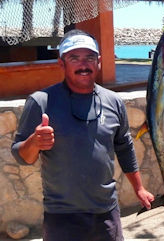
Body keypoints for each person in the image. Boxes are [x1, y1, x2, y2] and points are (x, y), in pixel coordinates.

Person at [11, 29, 155, 241]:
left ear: (99, 61)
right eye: (74, 58)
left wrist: (139, 188)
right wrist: (35, 142)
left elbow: (124, 147)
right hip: (62, 218)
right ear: (62, 64)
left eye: (89, 57)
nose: (83, 64)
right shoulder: (41, 102)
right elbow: (21, 156)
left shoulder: (113, 101)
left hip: (107, 213)